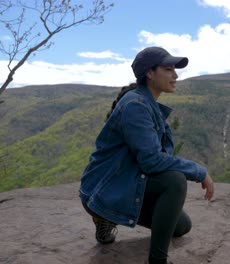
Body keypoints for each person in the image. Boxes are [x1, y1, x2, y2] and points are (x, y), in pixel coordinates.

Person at [79, 46, 215, 264]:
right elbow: (152, 161)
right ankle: (156, 259)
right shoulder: (136, 105)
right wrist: (200, 172)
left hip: (129, 181)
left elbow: (154, 158)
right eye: (169, 69)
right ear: (150, 74)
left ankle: (106, 216)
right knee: (175, 181)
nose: (175, 75)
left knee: (182, 227)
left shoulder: (147, 103)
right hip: (105, 189)